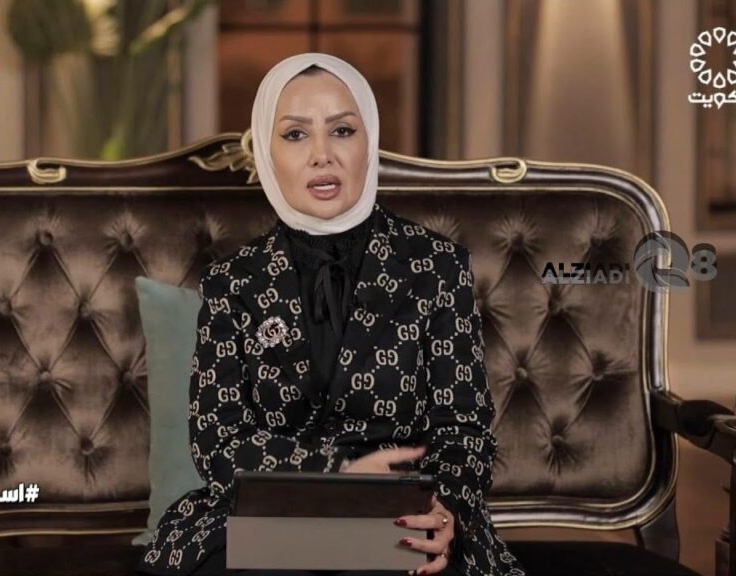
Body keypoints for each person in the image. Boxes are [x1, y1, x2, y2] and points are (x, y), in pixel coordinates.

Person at [136, 52, 525, 576]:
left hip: (403, 516)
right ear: (267, 152)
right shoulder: (233, 283)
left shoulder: (436, 266)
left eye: (342, 130)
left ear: (370, 142)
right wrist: (339, 474)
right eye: (296, 135)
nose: (322, 155)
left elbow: (464, 427)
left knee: (403, 558)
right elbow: (219, 440)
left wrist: (443, 508)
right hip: (275, 517)